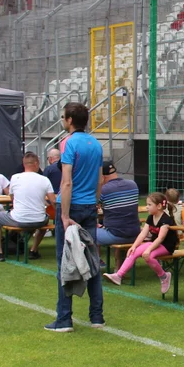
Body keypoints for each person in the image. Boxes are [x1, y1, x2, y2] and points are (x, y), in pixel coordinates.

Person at [47, 102, 105, 332]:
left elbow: (67, 181)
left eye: (63, 117)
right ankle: (97, 316)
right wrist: (96, 203)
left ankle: (64, 319)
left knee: (66, 262)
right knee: (92, 260)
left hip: (72, 207)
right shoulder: (96, 144)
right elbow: (100, 180)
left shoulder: (68, 143)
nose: (63, 120)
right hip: (90, 205)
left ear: (70, 120)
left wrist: (63, 214)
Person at [103, 192, 178, 295]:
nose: (147, 207)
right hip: (155, 244)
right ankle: (118, 276)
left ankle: (164, 276)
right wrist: (133, 246)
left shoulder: (166, 220)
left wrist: (148, 249)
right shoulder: (151, 217)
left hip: (166, 246)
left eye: (149, 205)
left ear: (159, 206)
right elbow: (143, 234)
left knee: (148, 256)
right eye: (147, 204)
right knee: (134, 251)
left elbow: (160, 238)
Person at [0, 152, 56, 262]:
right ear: (36, 164)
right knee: (45, 218)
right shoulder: (44, 179)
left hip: (18, 219)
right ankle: (33, 250)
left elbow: (12, 198)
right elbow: (53, 201)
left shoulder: (15, 178)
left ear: (24, 164)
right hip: (39, 220)